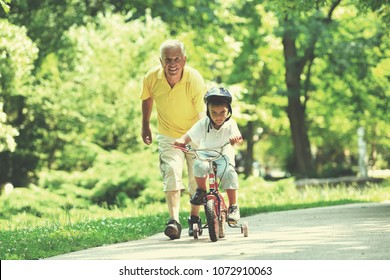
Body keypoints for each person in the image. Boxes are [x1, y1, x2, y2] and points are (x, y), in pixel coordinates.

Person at [140, 39, 206, 240]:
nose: (172, 64)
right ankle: (173, 221)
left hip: (194, 134)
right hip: (168, 134)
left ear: (184, 60)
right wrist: (145, 125)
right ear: (161, 61)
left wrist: (204, 137)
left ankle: (194, 218)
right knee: (171, 171)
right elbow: (147, 98)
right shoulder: (152, 77)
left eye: (177, 59)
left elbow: (202, 113)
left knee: (197, 178)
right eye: (168, 60)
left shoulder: (194, 79)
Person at [174, 87, 243, 223]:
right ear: (208, 112)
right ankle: (201, 190)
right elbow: (189, 136)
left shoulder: (231, 124)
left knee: (229, 172)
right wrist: (181, 141)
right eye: (214, 112)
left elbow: (239, 140)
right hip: (205, 153)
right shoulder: (203, 124)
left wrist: (236, 140)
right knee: (199, 165)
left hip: (224, 154)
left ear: (228, 111)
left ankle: (233, 206)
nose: (218, 117)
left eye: (222, 112)